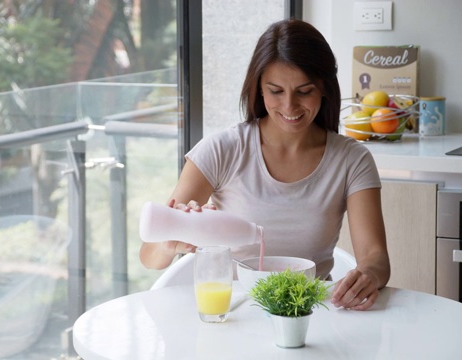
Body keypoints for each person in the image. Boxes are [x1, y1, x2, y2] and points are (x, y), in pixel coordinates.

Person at [139, 18, 390, 311]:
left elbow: (376, 257)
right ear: (258, 88)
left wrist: (368, 276)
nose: (289, 106)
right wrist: (172, 241)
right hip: (231, 316)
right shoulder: (223, 150)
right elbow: (149, 257)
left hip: (308, 316)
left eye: (304, 91)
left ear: (324, 87)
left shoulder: (351, 160)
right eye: (276, 91)